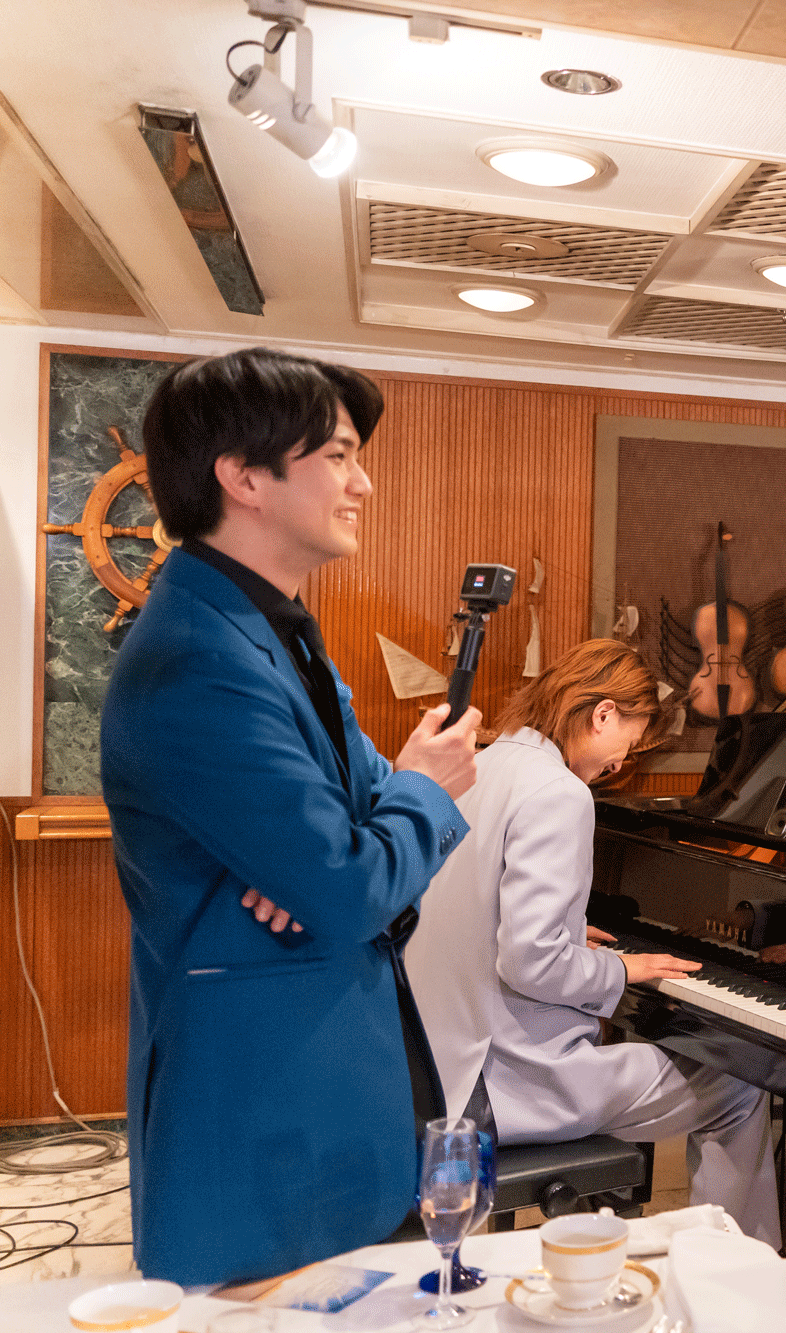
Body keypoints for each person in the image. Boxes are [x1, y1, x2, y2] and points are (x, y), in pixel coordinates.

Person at [100, 347, 481, 1287]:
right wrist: (421, 791)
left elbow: (349, 853)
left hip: (328, 1098)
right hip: (258, 1119)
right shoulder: (197, 654)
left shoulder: (269, 629)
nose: (364, 483)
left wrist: (332, 864)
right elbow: (349, 883)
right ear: (243, 476)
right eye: (339, 456)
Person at [405, 639, 782, 1246]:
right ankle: (731, 1277)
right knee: (741, 1084)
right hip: (505, 1083)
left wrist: (563, 931)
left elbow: (461, 901)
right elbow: (530, 962)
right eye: (628, 741)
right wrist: (624, 969)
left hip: (433, 1068)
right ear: (602, 714)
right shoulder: (559, 792)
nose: (620, 762)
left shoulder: (479, 766)